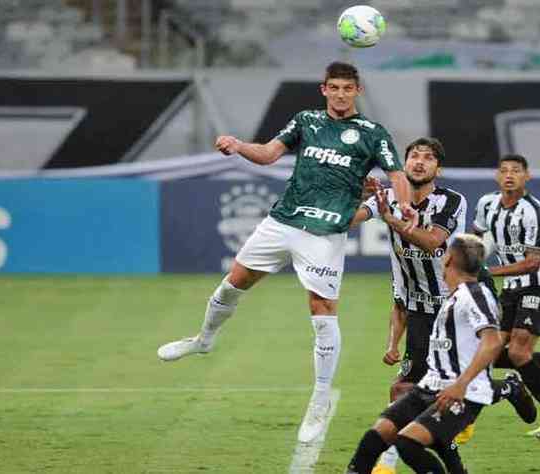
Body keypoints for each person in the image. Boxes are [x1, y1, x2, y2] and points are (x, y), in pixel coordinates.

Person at [156, 61, 417, 443]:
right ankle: (203, 340)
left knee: (322, 310)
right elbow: (267, 154)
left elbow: (396, 176)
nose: (341, 94)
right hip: (283, 222)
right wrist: (238, 145)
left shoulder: (372, 133)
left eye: (348, 88)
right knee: (233, 284)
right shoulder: (306, 121)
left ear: (357, 91)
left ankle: (320, 397)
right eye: (334, 88)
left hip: (326, 233)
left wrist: (405, 204)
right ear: (323, 89)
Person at [350, 139, 535, 474]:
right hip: (422, 308)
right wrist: (350, 192)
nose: (420, 162)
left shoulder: (451, 201)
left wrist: (393, 221)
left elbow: (434, 242)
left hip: (461, 302)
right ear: (403, 164)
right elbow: (352, 218)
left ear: (439, 168)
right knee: (408, 388)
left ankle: (504, 387)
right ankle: (407, 456)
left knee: (456, 385)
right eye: (414, 156)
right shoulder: (387, 197)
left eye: (429, 157)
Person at [472, 154, 540, 437]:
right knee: (491, 353)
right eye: (504, 170)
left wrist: (489, 271)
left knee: (517, 351)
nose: (509, 175)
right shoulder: (487, 204)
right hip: (511, 287)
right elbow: (476, 235)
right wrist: (470, 259)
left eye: (516, 171)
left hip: (538, 284)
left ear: (527, 176)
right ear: (496, 176)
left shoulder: (533, 212)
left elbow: (532, 262)